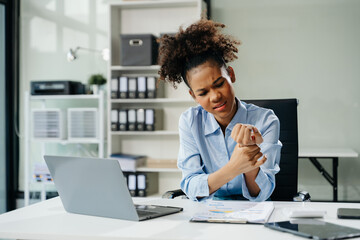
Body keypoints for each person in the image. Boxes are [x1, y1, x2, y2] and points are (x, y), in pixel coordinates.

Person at [158, 19, 282, 202]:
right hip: (208, 215)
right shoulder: (190, 121)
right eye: (203, 92)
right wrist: (234, 167)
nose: (215, 96)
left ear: (231, 75)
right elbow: (191, 186)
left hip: (254, 214)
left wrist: (249, 156)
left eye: (219, 84)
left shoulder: (266, 120)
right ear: (194, 96)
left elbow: (262, 194)